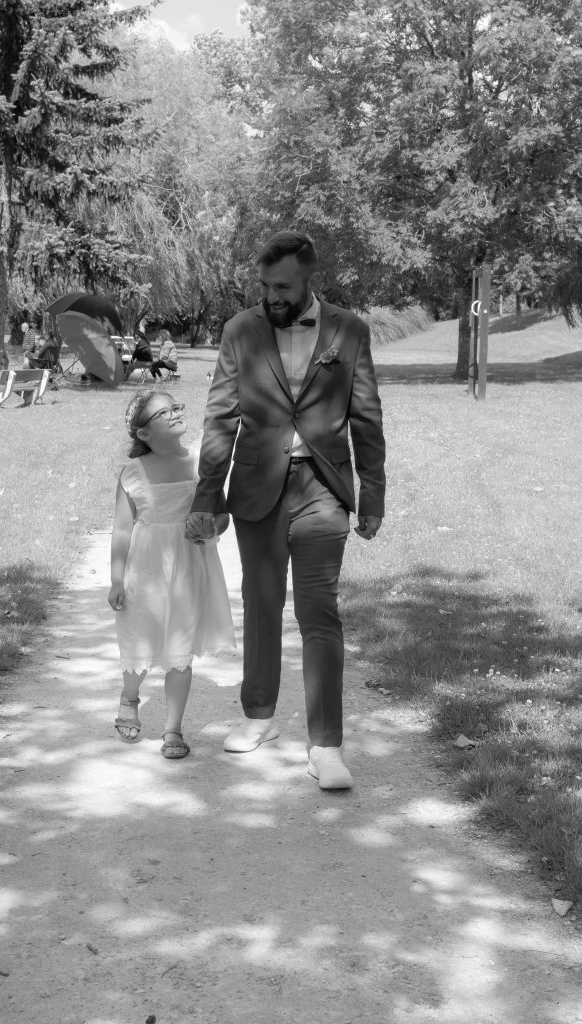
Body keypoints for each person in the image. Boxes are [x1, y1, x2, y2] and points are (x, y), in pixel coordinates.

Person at [186, 230, 386, 790]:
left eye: (284, 287)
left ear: (309, 280)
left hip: (323, 486)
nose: (272, 296)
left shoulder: (349, 330)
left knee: (320, 612)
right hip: (257, 488)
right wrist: (209, 496)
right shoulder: (240, 331)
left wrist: (372, 494)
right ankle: (258, 716)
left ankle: (326, 745)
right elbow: (220, 415)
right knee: (263, 601)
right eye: (265, 285)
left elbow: (366, 415)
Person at [108, 389, 235, 759]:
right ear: (144, 433)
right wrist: (117, 578)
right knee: (142, 642)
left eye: (177, 406)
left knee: (180, 651)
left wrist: (212, 528)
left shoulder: (200, 464)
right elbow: (121, 529)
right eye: (164, 413)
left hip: (189, 568)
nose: (176, 413)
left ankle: (173, 728)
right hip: (146, 571)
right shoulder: (133, 473)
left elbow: (222, 514)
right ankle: (129, 696)